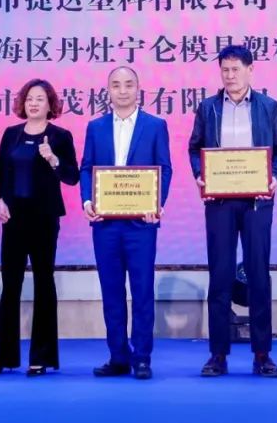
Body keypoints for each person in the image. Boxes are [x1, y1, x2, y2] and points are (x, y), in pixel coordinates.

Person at [188, 45, 277, 378]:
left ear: (250, 70)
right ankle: (218, 354)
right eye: (225, 70)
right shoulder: (208, 107)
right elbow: (195, 148)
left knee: (258, 275)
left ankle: (262, 354)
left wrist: (274, 176)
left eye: (235, 69)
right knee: (219, 275)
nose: (230, 76)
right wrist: (200, 174)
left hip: (257, 201)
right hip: (219, 201)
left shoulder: (270, 107)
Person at [80, 66, 173, 380]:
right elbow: (86, 168)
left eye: (128, 84)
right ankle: (118, 356)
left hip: (141, 224)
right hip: (105, 224)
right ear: (108, 90)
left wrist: (156, 204)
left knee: (142, 290)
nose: (122, 90)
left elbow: (164, 168)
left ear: (138, 89)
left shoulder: (155, 126)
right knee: (111, 292)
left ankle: (142, 357)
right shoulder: (95, 127)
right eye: (116, 85)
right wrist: (87, 201)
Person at [0, 79, 80, 377]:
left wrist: (53, 159)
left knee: (43, 283)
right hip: (13, 219)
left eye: (40, 99)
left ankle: (42, 356)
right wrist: (0, 201)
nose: (34, 103)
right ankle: (5, 357)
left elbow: (72, 176)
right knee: (10, 285)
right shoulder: (11, 134)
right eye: (29, 99)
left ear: (50, 104)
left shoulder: (60, 136)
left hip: (44, 218)